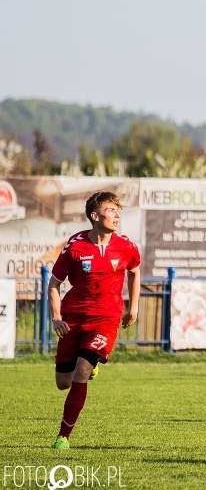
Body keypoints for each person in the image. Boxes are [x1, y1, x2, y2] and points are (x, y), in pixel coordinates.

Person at [49, 191, 141, 450]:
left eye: (117, 210)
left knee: (81, 370)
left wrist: (133, 307)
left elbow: (134, 271)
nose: (117, 215)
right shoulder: (75, 245)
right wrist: (56, 317)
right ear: (94, 215)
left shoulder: (126, 245)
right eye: (111, 210)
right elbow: (54, 283)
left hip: (106, 318)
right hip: (73, 318)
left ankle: (63, 437)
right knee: (62, 383)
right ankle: (91, 363)